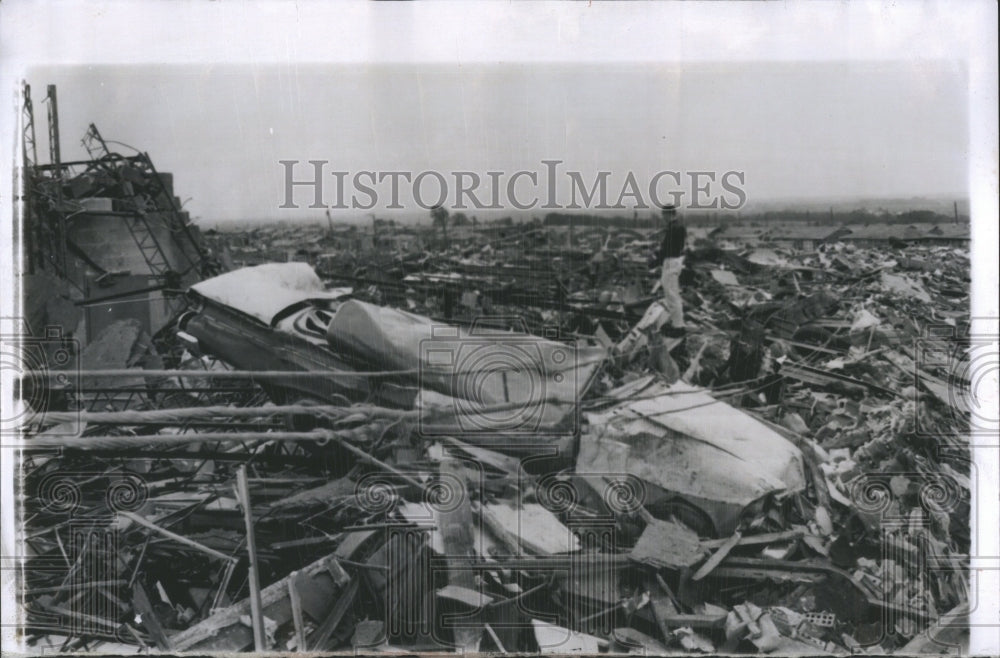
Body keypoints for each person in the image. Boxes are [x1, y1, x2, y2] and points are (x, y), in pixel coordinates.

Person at [652, 204, 686, 336]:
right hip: (673, 261)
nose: (662, 217)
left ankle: (678, 327)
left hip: (671, 262)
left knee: (672, 295)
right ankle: (676, 323)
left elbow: (667, 250)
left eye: (663, 215)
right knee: (672, 294)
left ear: (667, 214)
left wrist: (654, 262)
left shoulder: (674, 229)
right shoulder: (677, 227)